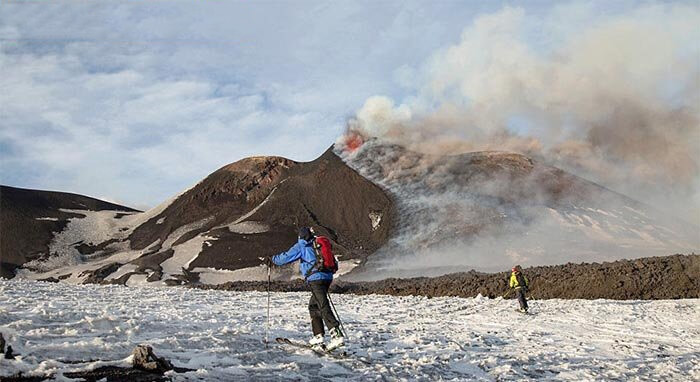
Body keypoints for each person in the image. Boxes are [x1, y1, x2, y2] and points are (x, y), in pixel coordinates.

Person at [268, 227, 344, 350]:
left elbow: (285, 258)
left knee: (323, 304)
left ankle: (336, 334)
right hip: (327, 277)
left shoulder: (302, 245)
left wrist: (272, 259)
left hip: (315, 278)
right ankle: (318, 336)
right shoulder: (319, 243)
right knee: (314, 306)